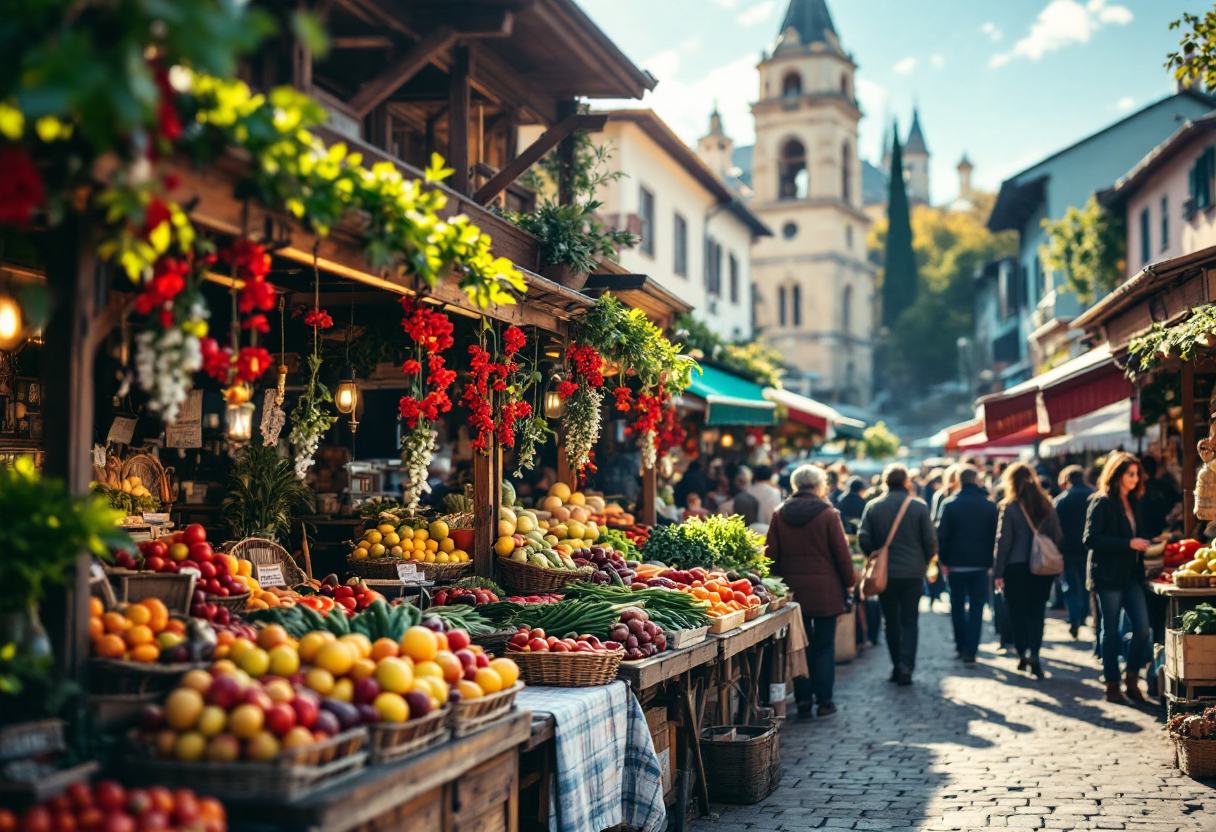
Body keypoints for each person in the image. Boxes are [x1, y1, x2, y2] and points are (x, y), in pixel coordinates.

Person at [766, 464, 856, 718]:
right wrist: (849, 581)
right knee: (825, 646)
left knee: (800, 646)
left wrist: (773, 586)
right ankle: (825, 702)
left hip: (794, 592)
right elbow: (841, 553)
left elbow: (770, 556)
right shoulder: (829, 514)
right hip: (826, 591)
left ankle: (804, 700)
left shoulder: (779, 513)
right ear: (819, 485)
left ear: (795, 485)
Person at [1083, 452, 1153, 704]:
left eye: (1137, 474)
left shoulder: (1134, 501)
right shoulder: (1101, 502)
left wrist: (1149, 543)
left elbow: (1137, 534)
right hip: (1108, 576)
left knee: (1143, 629)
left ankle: (1131, 678)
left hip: (1132, 576)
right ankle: (1112, 683)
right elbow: (1090, 539)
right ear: (1117, 475)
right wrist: (1128, 543)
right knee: (1110, 631)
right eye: (1130, 474)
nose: (1135, 479)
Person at [858, 464, 937, 685]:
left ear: (885, 482)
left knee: (891, 620)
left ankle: (896, 665)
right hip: (913, 572)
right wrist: (925, 561)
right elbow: (930, 541)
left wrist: (874, 554)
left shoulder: (873, 507)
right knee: (910, 620)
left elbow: (863, 537)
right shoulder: (919, 506)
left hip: (886, 574)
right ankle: (906, 665)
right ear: (906, 482)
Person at [993, 462, 1063, 679]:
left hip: (1016, 567)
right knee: (1037, 612)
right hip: (1042, 568)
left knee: (1017, 613)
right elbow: (1057, 536)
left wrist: (998, 572)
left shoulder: (1010, 506)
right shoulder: (1046, 504)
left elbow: (1003, 541)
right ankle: (1035, 653)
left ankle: (1023, 653)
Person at [935, 465, 998, 663]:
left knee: (957, 606)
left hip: (955, 564)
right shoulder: (988, 505)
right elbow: (994, 536)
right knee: (977, 607)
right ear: (977, 480)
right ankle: (971, 649)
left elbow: (942, 536)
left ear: (959, 481)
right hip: (980, 564)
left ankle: (961, 645)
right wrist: (990, 562)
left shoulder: (949, 504)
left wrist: (943, 561)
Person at [1053, 465, 1095, 640]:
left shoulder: (1062, 500)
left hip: (1068, 549)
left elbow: (1055, 527)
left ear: (1067, 480)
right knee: (1087, 584)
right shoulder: (1093, 496)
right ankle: (1085, 614)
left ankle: (1074, 618)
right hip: (1089, 549)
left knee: (1070, 585)